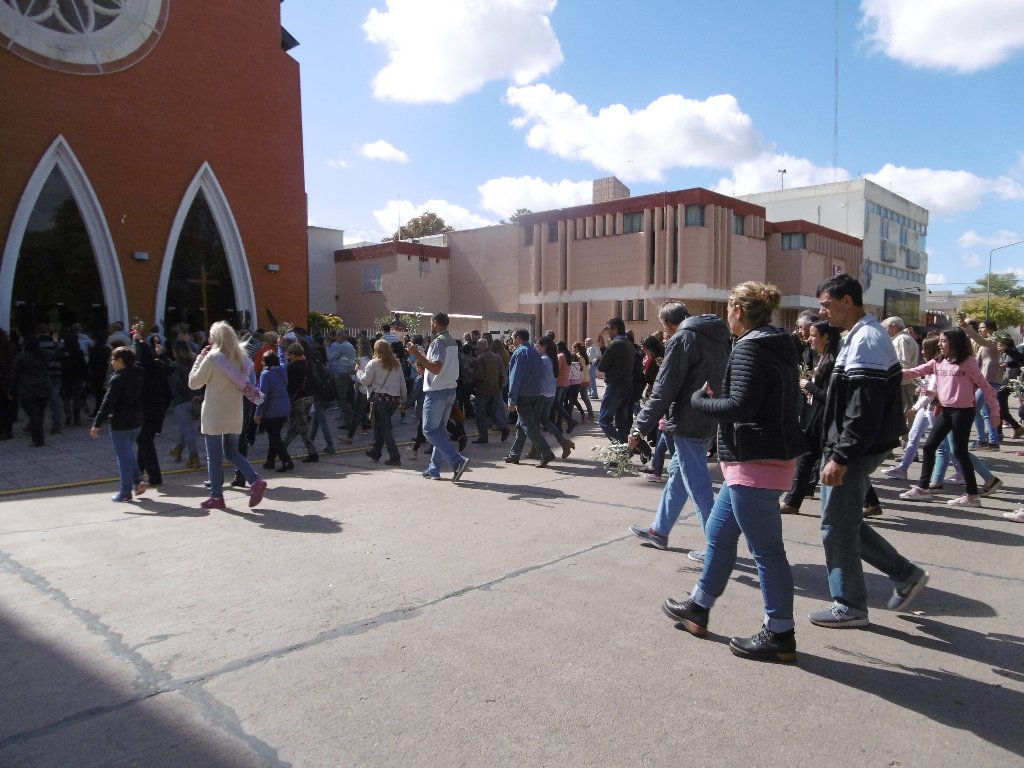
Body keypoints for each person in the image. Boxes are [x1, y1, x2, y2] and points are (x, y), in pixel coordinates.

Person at [662, 282, 806, 662]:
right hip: (759, 459)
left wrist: (699, 402)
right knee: (719, 535)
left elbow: (741, 407)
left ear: (738, 311)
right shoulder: (777, 344)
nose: (728, 315)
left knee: (768, 553)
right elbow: (759, 400)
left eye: (729, 309)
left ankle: (780, 632)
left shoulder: (750, 346)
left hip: (754, 460)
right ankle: (699, 607)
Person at [811, 273, 928, 628]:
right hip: (854, 445)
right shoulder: (860, 336)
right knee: (845, 524)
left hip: (856, 448)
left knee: (836, 528)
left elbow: (863, 407)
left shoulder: (868, 339)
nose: (822, 312)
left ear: (848, 300)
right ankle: (905, 575)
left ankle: (850, 605)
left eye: (827, 304)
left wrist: (841, 456)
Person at [627, 302, 730, 555]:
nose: (664, 333)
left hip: (688, 420)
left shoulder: (683, 338)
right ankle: (659, 531)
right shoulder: (718, 337)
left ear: (669, 324)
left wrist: (639, 427)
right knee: (678, 478)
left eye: (664, 328)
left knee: (698, 485)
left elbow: (664, 389)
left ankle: (717, 548)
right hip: (710, 416)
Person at [897, 328, 1000, 507]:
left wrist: (995, 412)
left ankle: (972, 496)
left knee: (960, 452)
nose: (939, 344)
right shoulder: (938, 361)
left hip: (963, 412)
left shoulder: (968, 362)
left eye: (943, 341)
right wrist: (890, 372)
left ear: (955, 343)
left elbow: (986, 388)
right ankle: (922, 488)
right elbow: (913, 372)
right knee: (929, 447)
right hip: (945, 410)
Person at [188, 321, 267, 509]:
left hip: (214, 414)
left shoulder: (213, 358)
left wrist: (199, 358)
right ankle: (255, 481)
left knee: (214, 457)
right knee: (232, 452)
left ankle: (217, 497)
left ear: (215, 338)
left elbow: (194, 383)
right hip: (235, 413)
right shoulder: (243, 360)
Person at [781, 320, 842, 514]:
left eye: (814, 335)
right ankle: (793, 501)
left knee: (808, 458)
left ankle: (792, 501)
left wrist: (808, 385)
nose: (809, 339)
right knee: (809, 458)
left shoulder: (833, 361)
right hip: (814, 413)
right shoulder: (822, 357)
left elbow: (830, 396)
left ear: (826, 337)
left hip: (822, 417)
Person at [405, 312, 469, 481]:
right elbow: (438, 365)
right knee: (439, 431)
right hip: (449, 389)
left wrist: (417, 355)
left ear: (435, 323)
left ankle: (457, 460)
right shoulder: (451, 342)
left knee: (429, 431)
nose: (431, 326)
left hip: (437, 390)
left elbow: (436, 368)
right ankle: (434, 468)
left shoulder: (439, 341)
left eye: (432, 323)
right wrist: (421, 354)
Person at [89, 345, 145, 502]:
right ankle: (138, 480)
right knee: (127, 453)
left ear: (121, 361)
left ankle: (125, 492)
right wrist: (137, 341)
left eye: (113, 359)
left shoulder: (117, 379)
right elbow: (138, 357)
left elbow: (107, 403)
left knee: (123, 457)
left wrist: (97, 424)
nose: (111, 362)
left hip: (121, 423)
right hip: (137, 421)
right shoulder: (138, 372)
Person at [505, 328, 556, 466]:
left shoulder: (520, 352)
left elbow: (515, 378)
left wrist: (512, 399)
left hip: (523, 394)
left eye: (513, 338)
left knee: (527, 425)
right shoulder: (534, 352)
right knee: (522, 425)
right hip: (535, 393)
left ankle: (546, 452)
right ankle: (514, 454)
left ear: (518, 338)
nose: (512, 341)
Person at [356, 340, 407, 466]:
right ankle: (376, 452)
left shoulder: (373, 363)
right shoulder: (397, 364)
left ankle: (395, 457)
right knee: (380, 426)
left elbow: (366, 381)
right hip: (394, 400)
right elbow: (403, 384)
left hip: (380, 399)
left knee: (384, 428)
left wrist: (358, 371)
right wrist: (403, 400)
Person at [8, 334, 53, 447]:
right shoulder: (45, 355)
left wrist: (11, 389)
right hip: (44, 387)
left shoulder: (21, 357)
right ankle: (38, 437)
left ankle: (37, 439)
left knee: (34, 415)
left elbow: (15, 375)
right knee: (39, 414)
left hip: (27, 389)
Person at [253, 350, 292, 472]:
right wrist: (280, 347)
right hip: (284, 407)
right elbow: (281, 358)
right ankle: (270, 460)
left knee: (275, 437)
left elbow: (263, 396)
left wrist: (258, 413)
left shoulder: (266, 374)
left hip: (272, 410)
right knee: (274, 436)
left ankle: (286, 460)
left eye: (263, 360)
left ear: (266, 362)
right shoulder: (281, 369)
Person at [596, 318, 634, 442]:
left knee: (604, 420)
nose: (608, 333)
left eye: (609, 330)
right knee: (621, 422)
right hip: (626, 385)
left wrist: (600, 355)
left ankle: (620, 448)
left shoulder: (616, 344)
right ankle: (624, 452)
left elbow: (602, 365)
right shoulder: (628, 343)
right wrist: (602, 347)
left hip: (615, 386)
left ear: (615, 329)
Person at [281, 342, 319, 463]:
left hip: (298, 400)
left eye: (289, 354)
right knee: (295, 424)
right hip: (310, 397)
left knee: (301, 427)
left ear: (292, 354)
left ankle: (312, 452)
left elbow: (288, 386)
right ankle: (282, 448)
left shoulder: (291, 367)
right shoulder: (308, 363)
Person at [168, 340, 202, 468]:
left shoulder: (174, 366)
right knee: (185, 428)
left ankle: (194, 457)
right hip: (197, 401)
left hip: (182, 401)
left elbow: (177, 386)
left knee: (188, 431)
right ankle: (178, 449)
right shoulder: (195, 363)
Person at [471, 338, 508, 443]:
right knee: (494, 411)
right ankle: (503, 426)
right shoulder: (497, 357)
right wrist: (498, 387)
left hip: (483, 390)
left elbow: (479, 376)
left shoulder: (480, 359)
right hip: (495, 389)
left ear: (480, 346)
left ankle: (483, 436)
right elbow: (501, 375)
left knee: (481, 414)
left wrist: (474, 382)